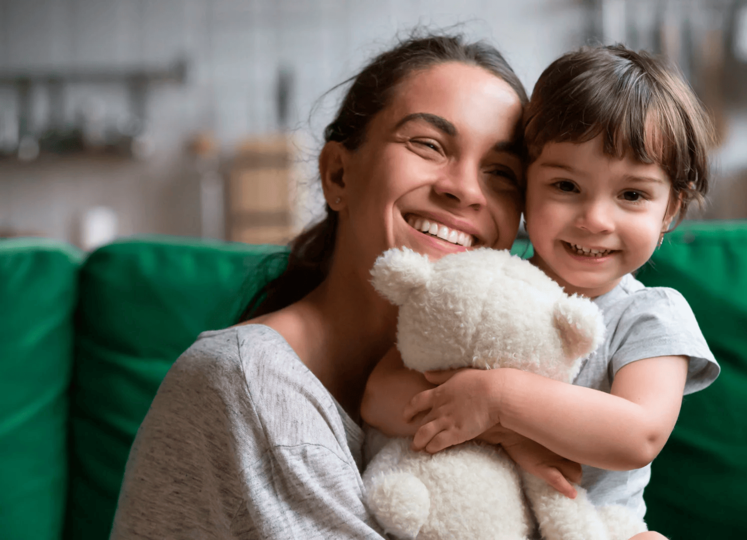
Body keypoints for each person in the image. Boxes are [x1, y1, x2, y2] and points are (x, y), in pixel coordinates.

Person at [109, 33, 536, 539]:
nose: (464, 189)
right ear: (338, 174)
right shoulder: (249, 383)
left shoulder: (495, 390)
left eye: (502, 172)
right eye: (428, 144)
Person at [362, 45, 721, 538]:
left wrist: (502, 400)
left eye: (632, 195)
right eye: (566, 186)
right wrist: (511, 439)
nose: (595, 219)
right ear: (527, 187)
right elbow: (380, 395)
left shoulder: (649, 314)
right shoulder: (481, 283)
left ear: (670, 211)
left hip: (597, 527)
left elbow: (638, 434)